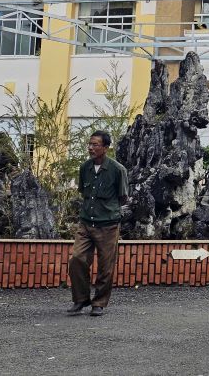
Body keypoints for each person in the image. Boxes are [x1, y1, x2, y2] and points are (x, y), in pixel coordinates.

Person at [67, 130, 129, 317]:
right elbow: (83, 193)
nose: (90, 148)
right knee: (77, 259)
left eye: (95, 145)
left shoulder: (118, 170)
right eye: (90, 144)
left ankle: (99, 303)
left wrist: (108, 211)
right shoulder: (85, 167)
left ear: (106, 148)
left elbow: (123, 198)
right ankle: (81, 299)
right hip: (86, 223)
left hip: (108, 225)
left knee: (105, 265)